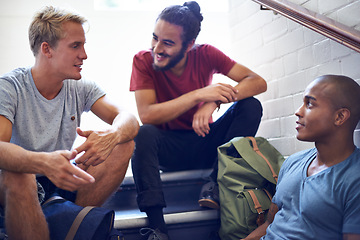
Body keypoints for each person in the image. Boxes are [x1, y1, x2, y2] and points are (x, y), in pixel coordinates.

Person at [129, 1, 267, 239]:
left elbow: (257, 82)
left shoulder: (206, 54)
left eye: (168, 43)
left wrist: (213, 102)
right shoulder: (143, 61)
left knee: (250, 105)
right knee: (143, 132)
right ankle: (157, 228)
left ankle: (214, 184)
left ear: (189, 45)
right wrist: (199, 95)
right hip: (167, 149)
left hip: (204, 140)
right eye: (155, 38)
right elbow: (147, 114)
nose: (157, 48)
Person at [0, 6, 139, 240]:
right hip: (20, 181)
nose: (84, 55)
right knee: (20, 175)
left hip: (61, 179)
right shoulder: (10, 87)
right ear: (47, 49)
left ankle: (73, 226)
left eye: (83, 46)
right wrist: (44, 163)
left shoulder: (80, 87)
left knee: (124, 143)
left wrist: (112, 136)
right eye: (75, 46)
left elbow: (129, 118)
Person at [243, 75, 360, 240]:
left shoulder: (355, 178)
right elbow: (270, 224)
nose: (298, 111)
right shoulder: (293, 162)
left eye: (310, 104)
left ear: (339, 117)